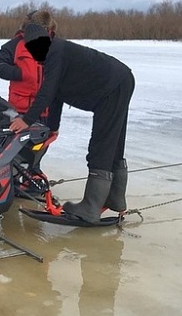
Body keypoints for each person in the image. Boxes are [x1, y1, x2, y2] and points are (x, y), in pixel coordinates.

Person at [8, 23, 135, 224]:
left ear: (45, 39)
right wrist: (52, 129)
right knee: (115, 143)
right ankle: (115, 199)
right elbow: (56, 96)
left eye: (36, 45)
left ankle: (90, 208)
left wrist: (26, 120)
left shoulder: (55, 52)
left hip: (112, 87)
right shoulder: (52, 54)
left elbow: (47, 93)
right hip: (119, 81)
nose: (35, 50)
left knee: (102, 145)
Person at [0, 10, 58, 196]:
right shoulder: (14, 45)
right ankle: (13, 177)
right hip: (19, 108)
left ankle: (32, 174)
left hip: (45, 108)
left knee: (40, 145)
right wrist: (19, 73)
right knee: (17, 146)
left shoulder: (55, 46)